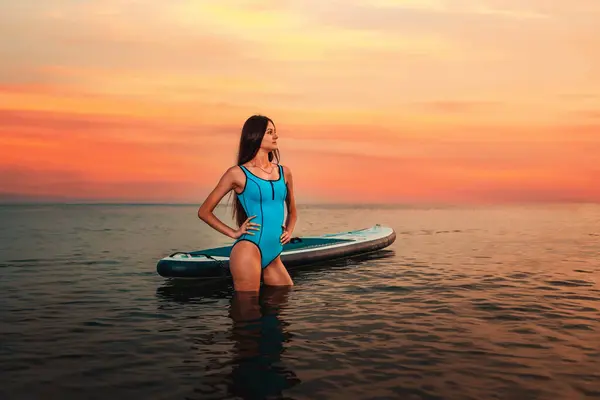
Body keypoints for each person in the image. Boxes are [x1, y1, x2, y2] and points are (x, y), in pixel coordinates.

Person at [198, 115, 297, 292]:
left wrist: (289, 231)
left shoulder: (285, 172)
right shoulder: (237, 173)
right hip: (248, 249)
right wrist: (234, 233)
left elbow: (293, 211)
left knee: (284, 300)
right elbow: (204, 211)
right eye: (270, 132)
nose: (276, 136)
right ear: (255, 136)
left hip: (274, 253)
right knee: (246, 310)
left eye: (275, 132)